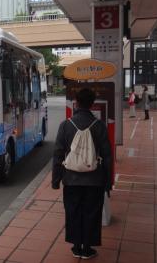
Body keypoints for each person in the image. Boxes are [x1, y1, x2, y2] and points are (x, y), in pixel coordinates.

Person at [52, 88, 112, 260]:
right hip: (95, 179)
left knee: (73, 211)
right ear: (92, 104)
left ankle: (76, 246)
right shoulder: (99, 126)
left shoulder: (66, 125)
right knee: (92, 212)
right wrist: (107, 182)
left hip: (71, 178)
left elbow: (57, 153)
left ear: (76, 103)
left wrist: (56, 180)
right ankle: (87, 248)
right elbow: (107, 155)